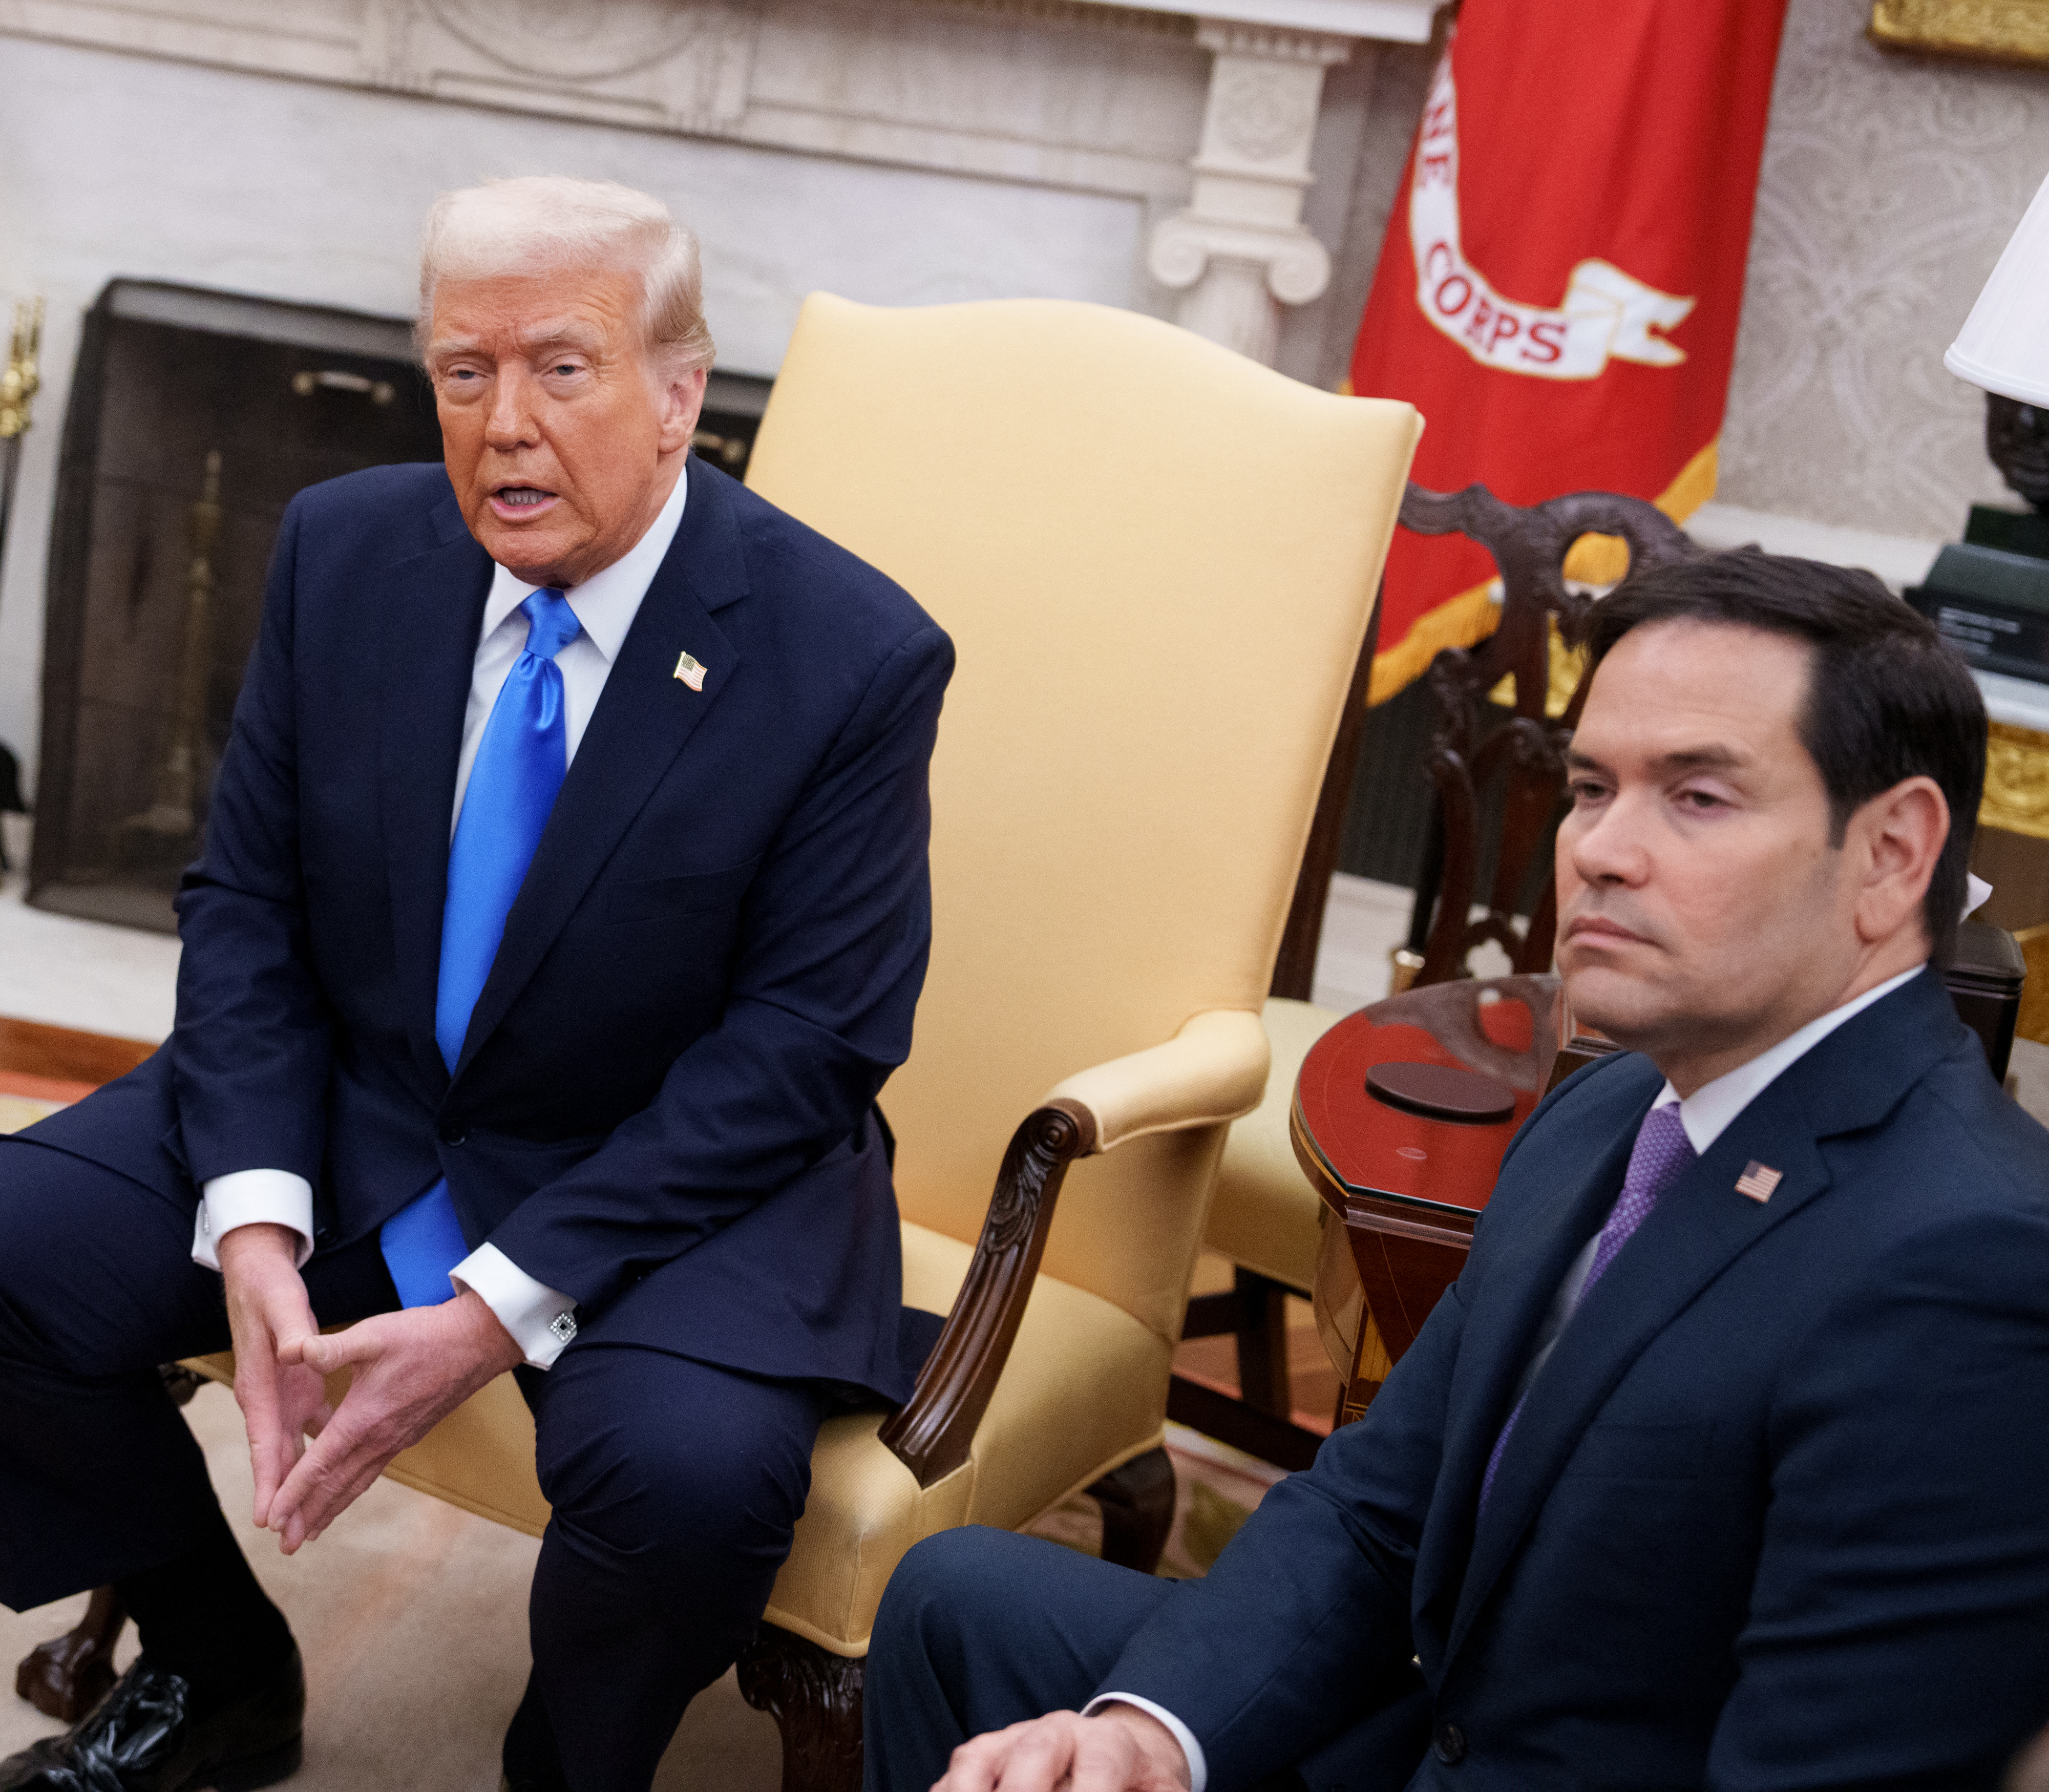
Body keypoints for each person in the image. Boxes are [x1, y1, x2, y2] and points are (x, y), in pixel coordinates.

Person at [0, 176, 953, 1792]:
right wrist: (253, 1212)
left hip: (672, 1181)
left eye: (562, 369)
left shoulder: (849, 654)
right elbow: (247, 900)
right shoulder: (348, 549)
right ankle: (217, 1674)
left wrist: (492, 1309)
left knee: (690, 1482)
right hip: (371, 1106)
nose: (504, 423)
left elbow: (809, 1046)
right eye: (465, 372)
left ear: (680, 395)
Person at [864, 550, 2049, 1792]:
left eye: (1697, 796)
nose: (1600, 850)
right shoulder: (1608, 1108)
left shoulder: (1975, 1269)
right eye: (1591, 787)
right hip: (1454, 1715)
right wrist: (1148, 1735)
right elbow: (1378, 1508)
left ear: (1892, 854)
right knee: (959, 1601)